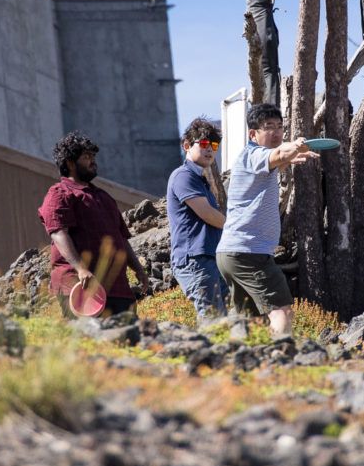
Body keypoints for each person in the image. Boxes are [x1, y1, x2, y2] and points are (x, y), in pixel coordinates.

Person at [216, 103, 318, 338]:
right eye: (269, 126)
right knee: (282, 312)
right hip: (249, 253)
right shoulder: (253, 154)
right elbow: (278, 154)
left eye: (280, 127)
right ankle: (280, 354)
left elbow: (277, 160)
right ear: (253, 134)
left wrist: (289, 157)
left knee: (250, 322)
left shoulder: (254, 160)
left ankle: (243, 357)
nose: (277, 132)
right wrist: (296, 145)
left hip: (232, 254)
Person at [38, 131, 150, 316]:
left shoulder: (104, 197)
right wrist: (81, 269)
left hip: (117, 289)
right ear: (70, 163)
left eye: (93, 156)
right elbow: (58, 233)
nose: (93, 161)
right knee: (89, 335)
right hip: (81, 287)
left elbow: (121, 238)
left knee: (127, 333)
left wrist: (138, 269)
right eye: (86, 157)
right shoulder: (60, 193)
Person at [167, 117, 227, 320]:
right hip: (195, 260)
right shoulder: (183, 176)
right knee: (213, 320)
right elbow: (206, 213)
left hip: (208, 258)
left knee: (222, 320)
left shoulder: (199, 179)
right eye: (203, 143)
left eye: (214, 145)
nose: (209, 149)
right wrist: (236, 228)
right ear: (186, 145)